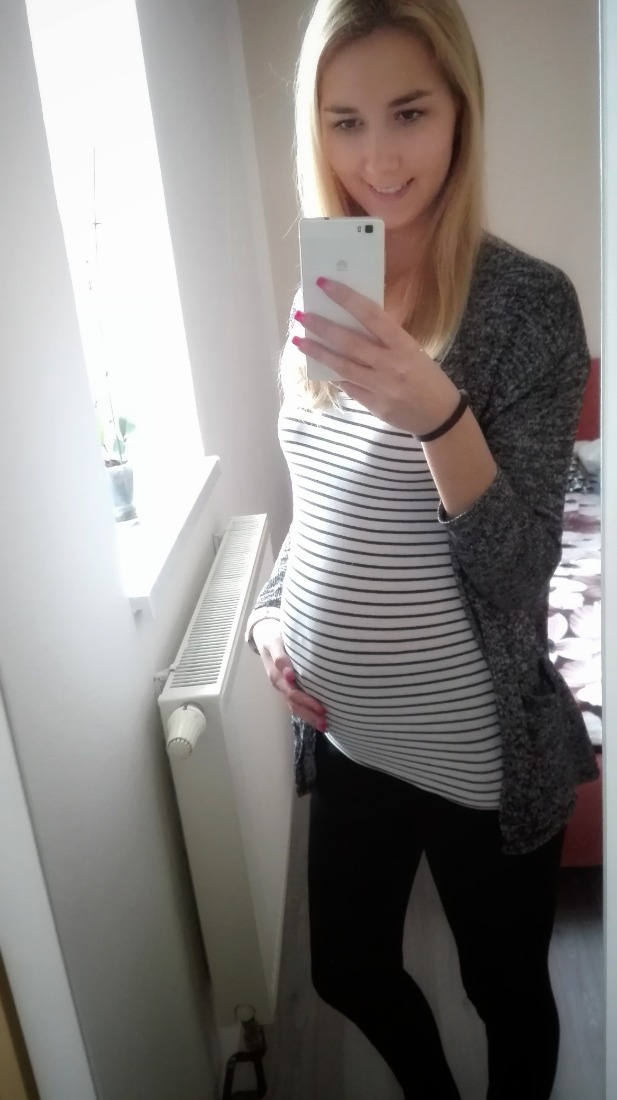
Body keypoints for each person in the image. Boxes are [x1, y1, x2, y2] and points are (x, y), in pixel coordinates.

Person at [245, 1, 599, 1097]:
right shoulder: (326, 290)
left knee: (505, 990)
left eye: (408, 112)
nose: (379, 159)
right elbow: (316, 500)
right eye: (343, 121)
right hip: (349, 735)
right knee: (347, 968)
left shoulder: (527, 307)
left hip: (476, 756)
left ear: (460, 113)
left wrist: (438, 413)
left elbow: (520, 569)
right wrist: (269, 614)